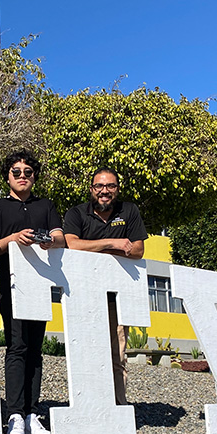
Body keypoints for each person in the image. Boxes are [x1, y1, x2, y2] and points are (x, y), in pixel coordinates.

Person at [0, 150, 64, 434]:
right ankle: (15, 415)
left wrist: (46, 239)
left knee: (35, 348)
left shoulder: (46, 205)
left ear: (34, 176)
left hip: (40, 282)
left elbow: (61, 237)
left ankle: (32, 414)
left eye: (27, 172)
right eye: (16, 171)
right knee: (16, 345)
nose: (22, 176)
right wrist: (12, 239)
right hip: (10, 283)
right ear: (8, 176)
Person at [63, 168, 147, 406]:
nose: (104, 191)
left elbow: (138, 250)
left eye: (110, 186)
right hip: (82, 295)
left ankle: (119, 405)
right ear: (92, 189)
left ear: (117, 189)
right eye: (99, 186)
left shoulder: (129, 211)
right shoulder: (77, 213)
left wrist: (97, 248)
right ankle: (88, 404)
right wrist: (114, 243)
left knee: (117, 355)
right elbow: (73, 246)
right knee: (85, 352)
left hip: (117, 298)